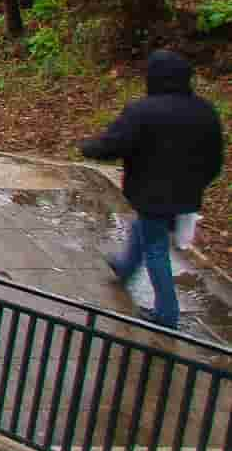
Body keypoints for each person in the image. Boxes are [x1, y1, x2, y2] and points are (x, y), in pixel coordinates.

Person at [80, 49, 222, 329]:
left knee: (156, 247)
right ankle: (125, 267)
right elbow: (215, 159)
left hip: (151, 193)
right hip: (186, 194)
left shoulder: (143, 111)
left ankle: (166, 314)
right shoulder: (205, 111)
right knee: (145, 229)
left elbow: (115, 143)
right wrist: (196, 184)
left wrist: (89, 148)